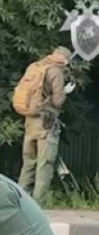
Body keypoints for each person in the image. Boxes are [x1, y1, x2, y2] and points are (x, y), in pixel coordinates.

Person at [16, 46, 76, 204]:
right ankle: (39, 204)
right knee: (45, 164)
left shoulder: (35, 66)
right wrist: (64, 92)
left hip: (30, 121)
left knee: (28, 163)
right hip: (46, 123)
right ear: (64, 59)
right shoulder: (55, 71)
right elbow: (57, 101)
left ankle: (21, 202)